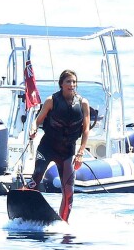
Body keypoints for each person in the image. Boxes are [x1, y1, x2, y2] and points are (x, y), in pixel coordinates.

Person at [27, 69, 90, 223]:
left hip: (67, 151)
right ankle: (26, 209)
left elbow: (86, 130)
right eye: (68, 81)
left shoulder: (83, 103)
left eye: (74, 82)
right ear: (61, 84)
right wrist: (34, 128)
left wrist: (81, 152)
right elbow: (38, 120)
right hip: (47, 147)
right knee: (36, 178)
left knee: (68, 191)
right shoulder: (51, 100)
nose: (72, 84)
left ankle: (63, 223)